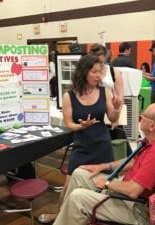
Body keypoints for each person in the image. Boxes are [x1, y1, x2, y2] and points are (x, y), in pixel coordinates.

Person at [53, 102, 155, 225]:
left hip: (136, 208)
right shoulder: (153, 141)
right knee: (79, 173)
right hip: (125, 191)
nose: (141, 117)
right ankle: (65, 217)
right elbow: (133, 161)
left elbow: (134, 191)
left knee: (77, 198)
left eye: (143, 115)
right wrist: (103, 166)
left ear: (152, 125)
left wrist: (107, 183)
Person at [38, 54, 122, 224]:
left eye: (100, 72)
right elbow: (69, 124)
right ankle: (59, 215)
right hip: (82, 146)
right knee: (68, 186)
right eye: (94, 72)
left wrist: (117, 108)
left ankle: (92, 216)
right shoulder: (69, 96)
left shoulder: (104, 92)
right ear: (84, 72)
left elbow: (113, 119)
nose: (99, 75)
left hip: (102, 145)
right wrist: (81, 127)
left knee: (102, 183)